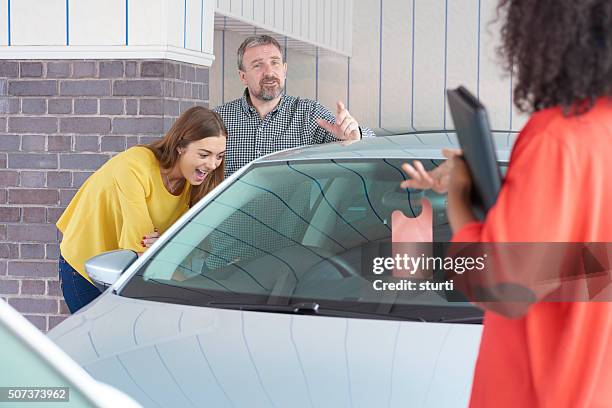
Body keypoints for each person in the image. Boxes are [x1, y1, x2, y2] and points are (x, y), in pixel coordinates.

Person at [403, 1, 612, 406]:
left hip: (542, 390)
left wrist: (462, 193)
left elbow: (501, 285)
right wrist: (489, 184)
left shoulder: (558, 137)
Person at [56, 107, 227, 313]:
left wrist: (168, 245)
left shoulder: (195, 184)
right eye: (204, 154)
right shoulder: (134, 166)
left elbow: (190, 249)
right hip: (87, 267)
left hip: (135, 274)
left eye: (219, 156)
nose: (212, 164)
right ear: (180, 146)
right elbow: (139, 247)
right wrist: (169, 245)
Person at [214, 35, 375, 176]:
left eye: (275, 63)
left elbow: (371, 146)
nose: (269, 72)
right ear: (243, 76)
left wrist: (356, 136)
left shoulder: (309, 114)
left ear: (284, 70)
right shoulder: (218, 120)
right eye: (258, 65)